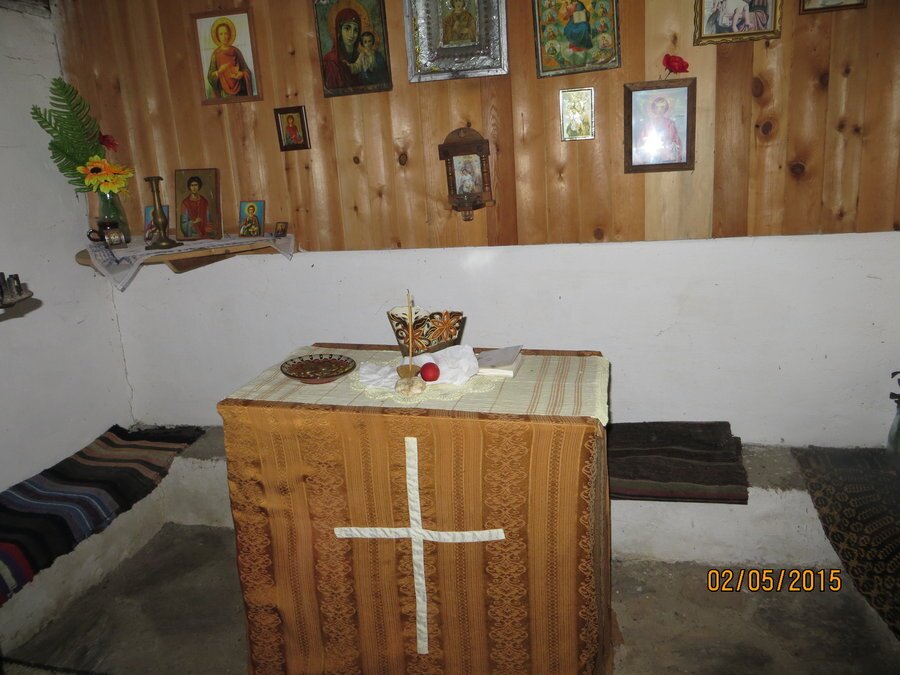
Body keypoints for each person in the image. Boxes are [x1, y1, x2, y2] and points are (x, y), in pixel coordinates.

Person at [207, 19, 253, 99]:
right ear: (217, 36)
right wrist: (219, 71)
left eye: (226, 33)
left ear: (230, 34)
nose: (224, 37)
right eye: (221, 34)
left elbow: (246, 71)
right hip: (223, 93)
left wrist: (242, 74)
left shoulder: (236, 51)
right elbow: (210, 76)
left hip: (239, 92)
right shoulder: (216, 54)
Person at [635, 96, 683, 164]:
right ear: (653, 108)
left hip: (667, 155)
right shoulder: (648, 124)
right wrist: (639, 156)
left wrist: (678, 154)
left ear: (666, 108)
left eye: (662, 107)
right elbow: (641, 140)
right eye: (657, 107)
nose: (659, 109)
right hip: (651, 154)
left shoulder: (670, 123)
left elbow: (676, 139)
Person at [323, 8, 362, 89]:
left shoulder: (361, 57)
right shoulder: (332, 62)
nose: (352, 34)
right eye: (347, 28)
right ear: (339, 31)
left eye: (355, 30)